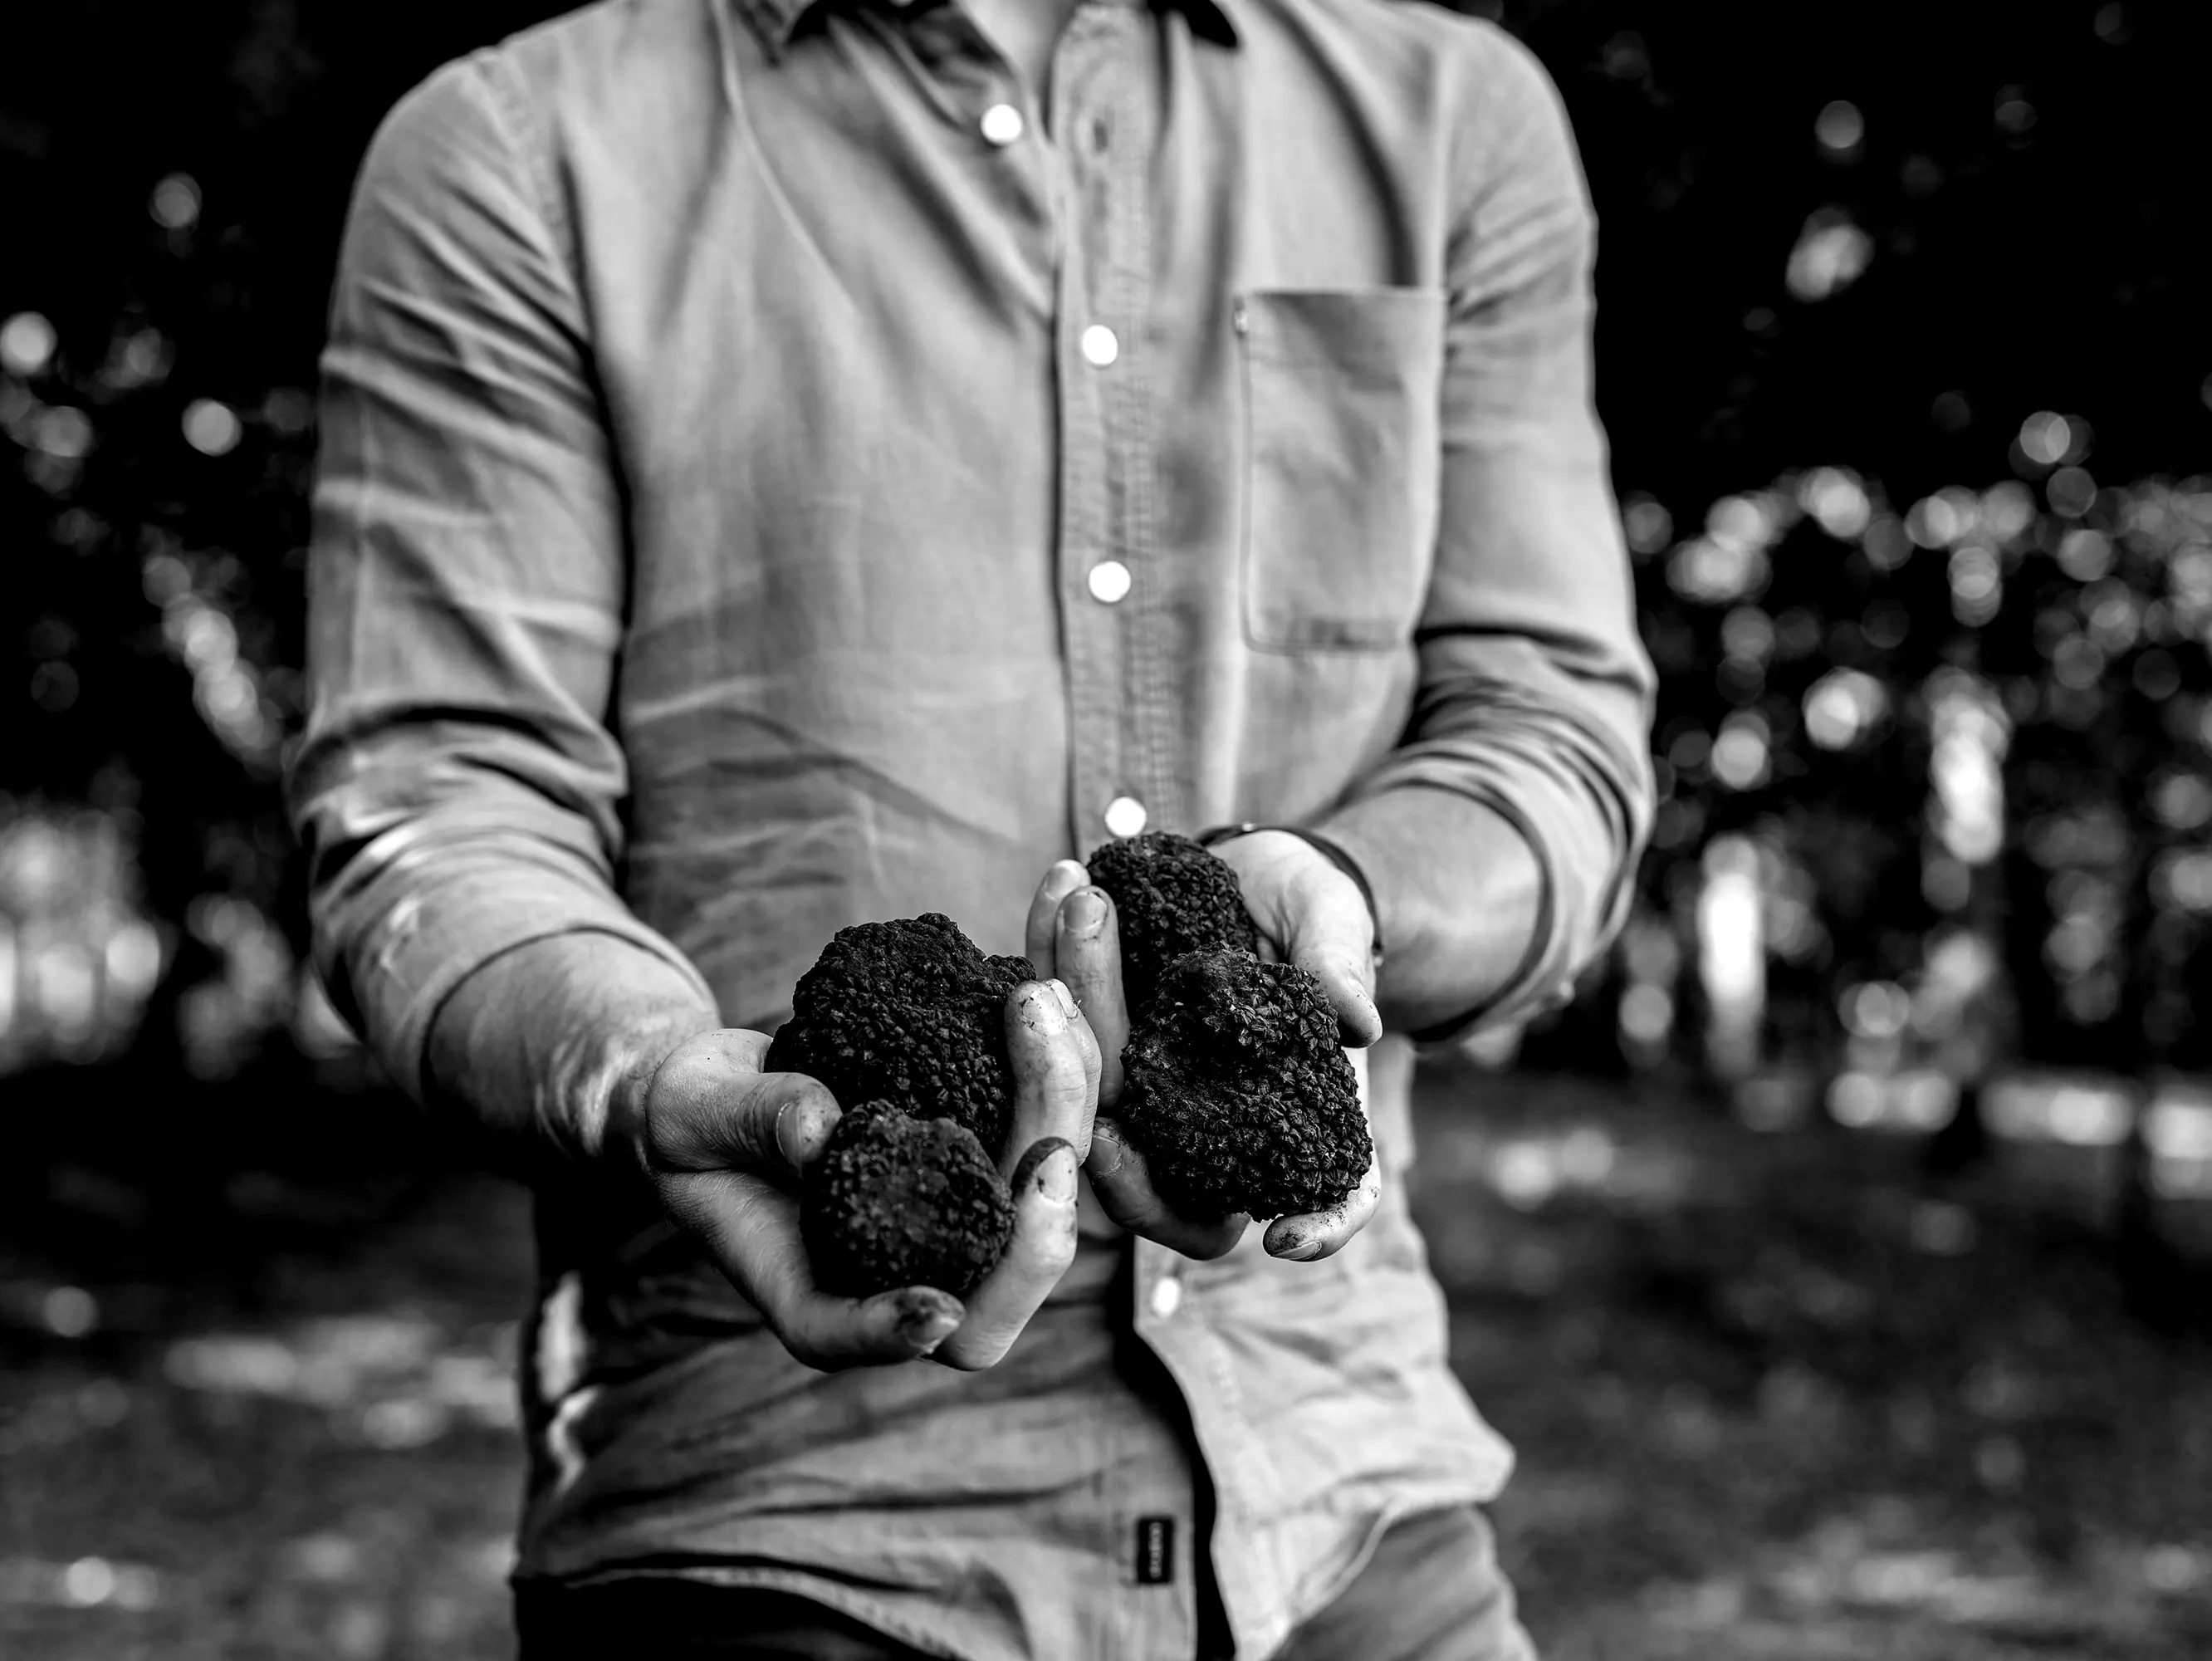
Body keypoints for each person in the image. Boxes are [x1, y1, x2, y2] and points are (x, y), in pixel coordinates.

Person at [288, 0, 1655, 1649]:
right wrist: (656, 1070)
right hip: (786, 1520)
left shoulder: (1452, 113)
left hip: (1349, 1495)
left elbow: (1550, 738)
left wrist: (1349, 896)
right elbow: (437, 810)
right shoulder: (509, 156)